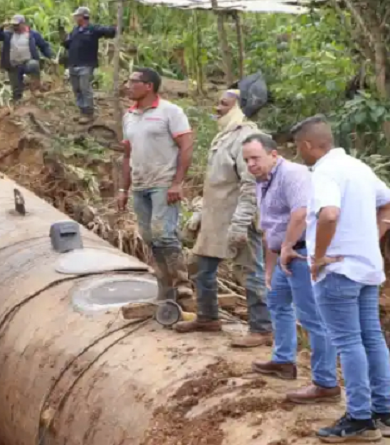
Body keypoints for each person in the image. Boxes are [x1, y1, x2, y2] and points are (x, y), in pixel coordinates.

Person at [293, 115, 390, 441]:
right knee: (372, 338)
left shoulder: (325, 171)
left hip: (338, 272)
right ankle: (385, 411)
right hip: (366, 268)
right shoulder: (358, 167)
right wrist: (372, 237)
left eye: (298, 148)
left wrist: (319, 255)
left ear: (308, 145)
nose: (299, 155)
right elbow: (387, 202)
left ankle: (360, 418)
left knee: (348, 342)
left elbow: (329, 213)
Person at [241, 133, 340, 403]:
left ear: (274, 155)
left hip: (300, 253)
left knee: (312, 319)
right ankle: (284, 360)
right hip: (282, 254)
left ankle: (326, 382)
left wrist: (285, 249)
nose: (251, 164)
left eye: (255, 158)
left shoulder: (293, 174)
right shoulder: (261, 182)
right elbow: (269, 228)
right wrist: (269, 268)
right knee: (276, 302)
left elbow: (300, 214)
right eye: (247, 159)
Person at [175, 90, 273, 347]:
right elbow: (217, 183)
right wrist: (200, 212)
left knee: (251, 273)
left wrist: (241, 223)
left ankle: (261, 329)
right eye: (218, 102)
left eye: (224, 103)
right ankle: (207, 317)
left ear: (239, 107)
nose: (217, 107)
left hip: (237, 219)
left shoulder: (246, 138)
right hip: (215, 217)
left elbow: (251, 185)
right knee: (201, 268)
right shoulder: (225, 135)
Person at [118, 68, 193, 303]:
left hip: (163, 182)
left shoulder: (170, 112)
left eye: (133, 81)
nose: (128, 85)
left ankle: (182, 284)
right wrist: (123, 189)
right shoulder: (129, 116)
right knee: (149, 237)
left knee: (165, 235)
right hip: (140, 184)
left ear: (148, 86)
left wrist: (177, 183)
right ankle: (164, 286)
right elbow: (127, 155)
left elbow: (186, 146)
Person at [62, 6, 116, 124]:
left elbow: (109, 31)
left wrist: (115, 27)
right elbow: (67, 44)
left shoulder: (93, 29)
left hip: (86, 64)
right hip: (73, 64)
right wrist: (63, 37)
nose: (75, 18)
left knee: (85, 88)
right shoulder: (75, 30)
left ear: (83, 17)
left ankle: (89, 113)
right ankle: (82, 111)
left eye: (77, 16)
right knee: (77, 89)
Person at [0, 14, 54, 103]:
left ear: (23, 24)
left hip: (27, 63)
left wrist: (51, 56)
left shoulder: (32, 34)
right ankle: (18, 105)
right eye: (13, 25)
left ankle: (35, 89)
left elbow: (43, 46)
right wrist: (1, 26)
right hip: (13, 65)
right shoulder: (8, 34)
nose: (14, 27)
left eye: (17, 25)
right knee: (16, 90)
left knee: (34, 64)